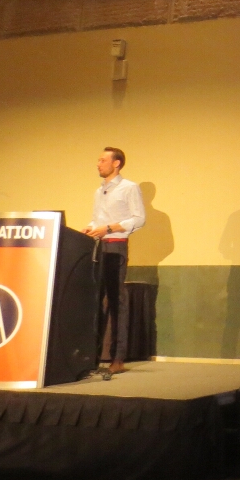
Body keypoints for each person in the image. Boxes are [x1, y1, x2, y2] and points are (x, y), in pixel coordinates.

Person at [84, 147, 145, 375]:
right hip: (99, 247)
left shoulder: (129, 187)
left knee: (116, 301)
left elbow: (139, 219)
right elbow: (97, 220)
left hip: (117, 245)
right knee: (96, 301)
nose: (98, 163)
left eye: (102, 160)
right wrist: (90, 229)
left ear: (116, 163)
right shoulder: (99, 191)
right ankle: (93, 357)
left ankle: (118, 358)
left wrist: (108, 228)